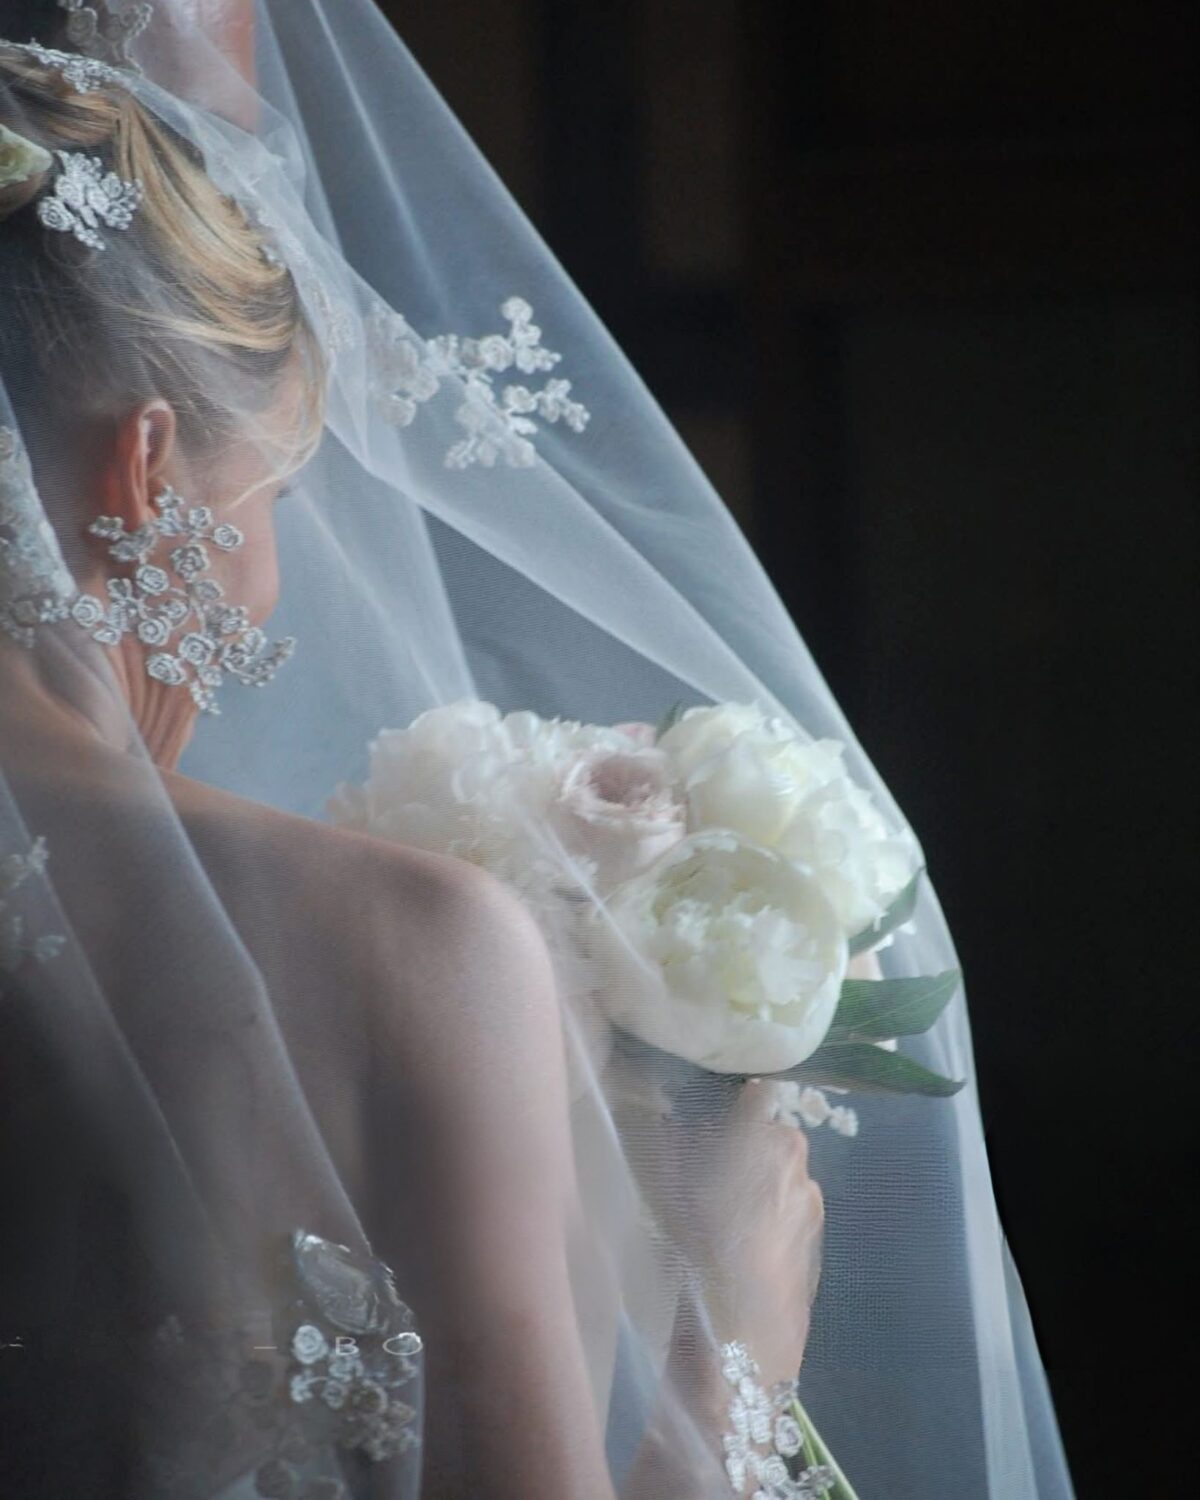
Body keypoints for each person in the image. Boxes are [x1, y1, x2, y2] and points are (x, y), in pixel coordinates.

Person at [0, 5, 1073, 1498]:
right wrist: (735, 1359)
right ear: (147, 467)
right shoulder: (419, 949)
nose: (278, 579)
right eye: (276, 499)